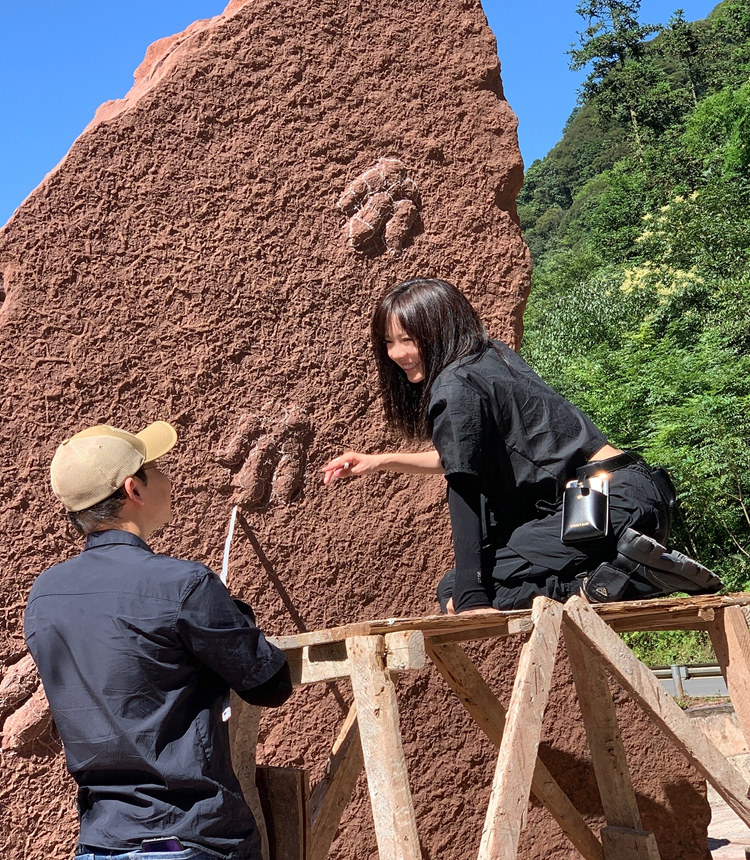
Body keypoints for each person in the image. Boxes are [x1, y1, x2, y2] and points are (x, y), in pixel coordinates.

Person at [322, 277, 722, 612]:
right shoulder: (491, 356)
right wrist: (379, 461)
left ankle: (621, 583)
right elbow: (461, 457)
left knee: (454, 590)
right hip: (635, 494)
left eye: (408, 339)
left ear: (438, 331)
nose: (397, 354)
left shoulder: (454, 384)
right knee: (472, 582)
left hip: (596, 509)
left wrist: (472, 594)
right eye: (388, 342)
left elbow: (464, 484)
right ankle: (625, 571)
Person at [25, 421, 292, 860]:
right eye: (156, 469)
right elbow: (270, 684)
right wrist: (230, 613)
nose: (168, 477)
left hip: (100, 843)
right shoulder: (182, 584)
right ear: (134, 489)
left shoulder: (45, 595)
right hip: (189, 838)